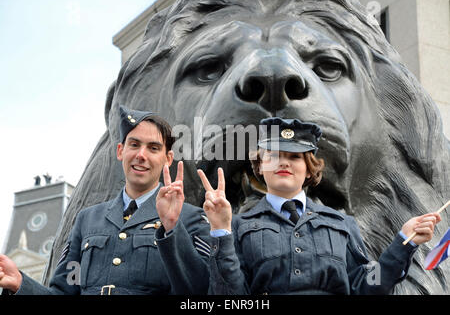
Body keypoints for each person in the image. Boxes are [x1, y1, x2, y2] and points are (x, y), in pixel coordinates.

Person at [197, 117, 441, 295]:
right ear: (260, 166)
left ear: (309, 169)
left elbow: (368, 285)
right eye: (274, 155)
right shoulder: (238, 227)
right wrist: (220, 230)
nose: (284, 162)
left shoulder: (342, 224)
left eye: (294, 157)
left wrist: (403, 243)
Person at [0, 105, 211, 295]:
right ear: (121, 151)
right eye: (134, 144)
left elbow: (201, 291)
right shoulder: (87, 220)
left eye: (153, 148)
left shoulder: (191, 218)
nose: (141, 155)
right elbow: (64, 292)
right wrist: (21, 284)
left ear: (168, 159)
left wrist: (172, 228)